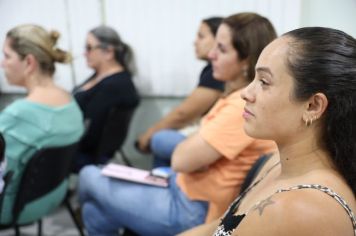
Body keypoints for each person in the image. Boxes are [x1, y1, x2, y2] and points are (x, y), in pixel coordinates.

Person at [79, 12, 277, 236]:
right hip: (189, 188)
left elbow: (181, 160)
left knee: (88, 175)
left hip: (193, 209)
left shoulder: (240, 105)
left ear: (246, 60)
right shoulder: (234, 96)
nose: (211, 54)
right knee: (94, 211)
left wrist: (192, 151)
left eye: (221, 49)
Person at [180, 27, 356, 236]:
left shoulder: (302, 208)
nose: (245, 93)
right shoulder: (276, 163)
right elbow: (217, 227)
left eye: (264, 82)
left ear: (313, 106)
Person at [0, 24, 84, 224]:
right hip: (52, 196)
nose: (2, 64)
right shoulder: (70, 102)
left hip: (12, 207)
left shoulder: (18, 114)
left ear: (29, 62)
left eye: (7, 56)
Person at [137, 17, 224, 167]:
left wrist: (149, 134)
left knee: (160, 139)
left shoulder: (217, 73)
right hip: (210, 136)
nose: (195, 42)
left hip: (216, 141)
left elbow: (183, 114)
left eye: (201, 36)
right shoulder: (211, 70)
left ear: (220, 41)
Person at [73, 25, 140, 171]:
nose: (85, 53)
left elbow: (91, 131)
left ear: (109, 52)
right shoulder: (101, 76)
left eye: (89, 48)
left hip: (85, 154)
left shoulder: (116, 85)